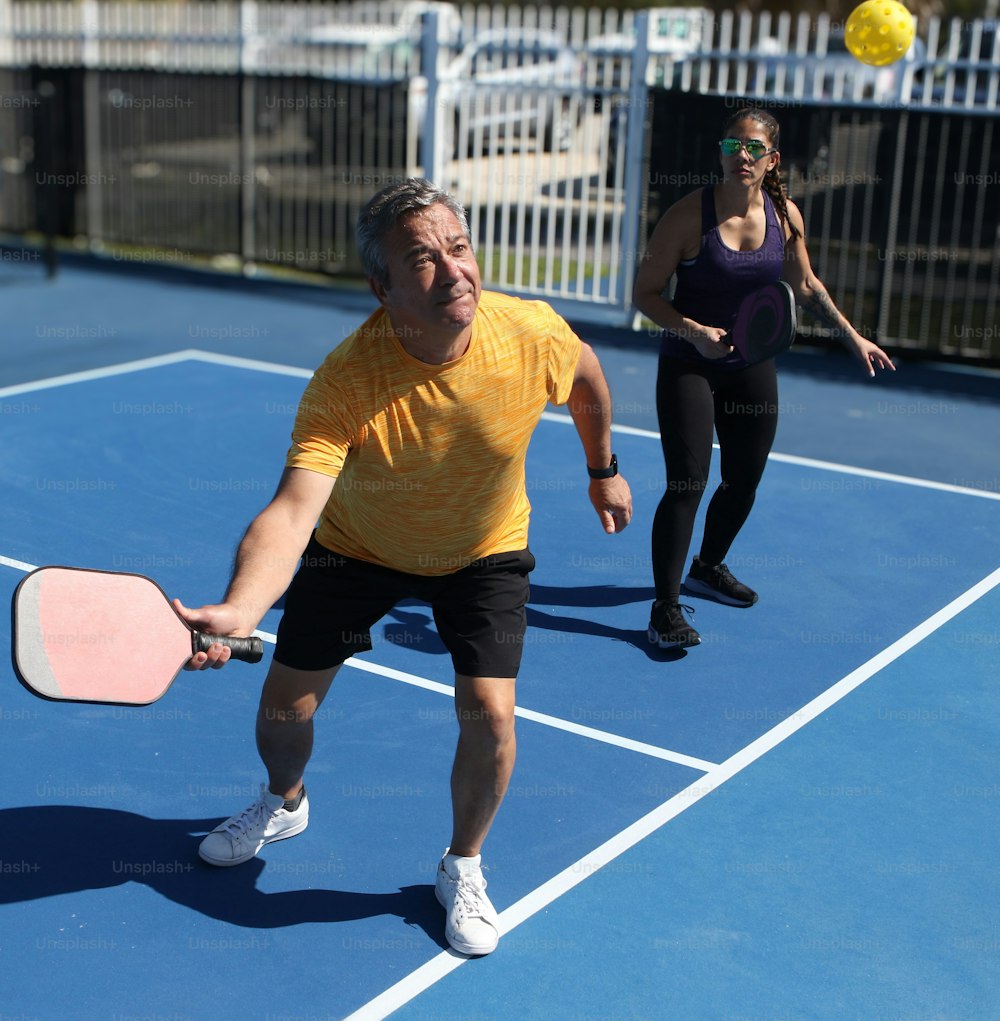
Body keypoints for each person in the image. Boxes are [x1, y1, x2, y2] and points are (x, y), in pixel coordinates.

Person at [175, 177, 633, 956]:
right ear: (381, 288)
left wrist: (602, 466)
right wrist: (243, 607)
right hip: (359, 545)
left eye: (459, 248)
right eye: (423, 260)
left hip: (482, 548)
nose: (454, 271)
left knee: (489, 717)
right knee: (286, 710)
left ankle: (462, 864)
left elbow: (585, 375)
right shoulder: (348, 378)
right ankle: (284, 802)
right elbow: (292, 510)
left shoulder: (529, 332)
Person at [633, 106, 894, 651]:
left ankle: (708, 566)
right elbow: (644, 294)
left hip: (750, 362)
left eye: (753, 148)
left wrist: (853, 337)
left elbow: (805, 283)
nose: (741, 156)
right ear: (721, 153)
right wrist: (693, 330)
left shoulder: (786, 214)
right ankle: (664, 608)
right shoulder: (686, 218)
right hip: (690, 364)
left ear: (772, 160)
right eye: (732, 146)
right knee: (687, 483)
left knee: (744, 479)